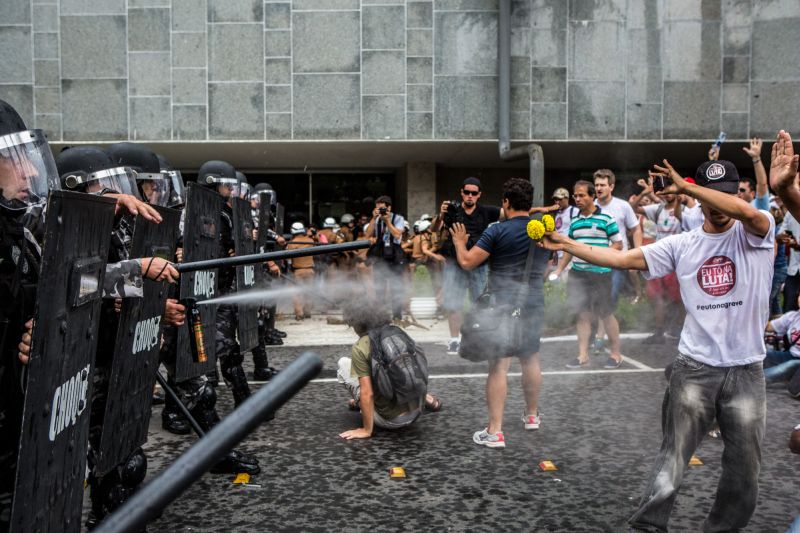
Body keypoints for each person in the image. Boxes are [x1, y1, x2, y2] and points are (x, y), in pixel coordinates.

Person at [541, 157, 774, 533]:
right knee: (673, 457)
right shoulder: (683, 243)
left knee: (745, 468)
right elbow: (620, 258)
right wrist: (565, 243)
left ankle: (723, 528)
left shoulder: (757, 232)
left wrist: (692, 190)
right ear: (700, 200)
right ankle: (649, 525)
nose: (718, 206)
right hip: (694, 368)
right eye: (710, 197)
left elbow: (747, 211)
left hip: (747, 370)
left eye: (724, 196)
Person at [448, 177, 549, 448]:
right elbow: (547, 263)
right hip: (533, 300)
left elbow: (468, 262)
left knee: (499, 365)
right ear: (529, 203)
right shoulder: (542, 232)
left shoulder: (497, 230)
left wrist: (459, 241)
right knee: (530, 358)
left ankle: (495, 431)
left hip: (503, 304)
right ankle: (531, 416)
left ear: (506, 202)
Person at [337, 298, 441, 439]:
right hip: (417, 411)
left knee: (343, 364)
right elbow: (415, 371)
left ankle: (362, 406)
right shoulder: (399, 333)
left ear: (356, 323)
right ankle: (428, 399)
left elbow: (367, 393)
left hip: (390, 421)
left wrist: (366, 430)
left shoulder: (361, 346)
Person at [551, 180, 624, 369]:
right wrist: (559, 270)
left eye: (582, 195)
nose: (578, 199)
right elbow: (569, 248)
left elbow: (618, 244)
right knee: (582, 314)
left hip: (601, 274)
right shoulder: (574, 221)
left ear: (592, 196)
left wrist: (601, 256)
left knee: (606, 313)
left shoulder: (606, 218)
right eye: (575, 195)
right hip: (578, 274)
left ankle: (616, 354)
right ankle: (582, 355)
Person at [431, 178, 500, 353]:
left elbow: (514, 213)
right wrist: (440, 214)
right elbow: (434, 229)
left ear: (479, 195)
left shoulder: (486, 211)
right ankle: (455, 340)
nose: (470, 196)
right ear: (461, 192)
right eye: (467, 192)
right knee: (454, 304)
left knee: (482, 303)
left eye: (474, 193)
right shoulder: (452, 210)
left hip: (478, 262)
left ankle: (483, 338)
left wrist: (540, 210)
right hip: (455, 263)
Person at [630, 176, 683, 343]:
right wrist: (644, 193)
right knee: (656, 296)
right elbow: (632, 208)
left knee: (681, 298)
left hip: (678, 260)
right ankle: (659, 332)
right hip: (660, 259)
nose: (667, 192)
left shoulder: (684, 210)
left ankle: (681, 329)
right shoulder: (658, 209)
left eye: (670, 188)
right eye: (664, 189)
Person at [365, 196, 407, 320]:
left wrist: (388, 221)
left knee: (396, 287)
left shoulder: (398, 218)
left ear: (389, 207)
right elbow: (367, 234)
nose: (380, 211)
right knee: (379, 288)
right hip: (381, 255)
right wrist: (373, 218)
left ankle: (397, 317)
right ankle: (381, 317)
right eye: (378, 208)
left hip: (395, 255)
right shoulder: (376, 219)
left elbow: (397, 234)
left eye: (382, 208)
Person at [287, 222, 316, 320]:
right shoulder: (310, 241)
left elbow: (289, 260)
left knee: (296, 292)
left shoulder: (292, 243)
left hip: (298, 271)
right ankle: (307, 311)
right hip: (310, 270)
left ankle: (299, 313)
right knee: (309, 291)